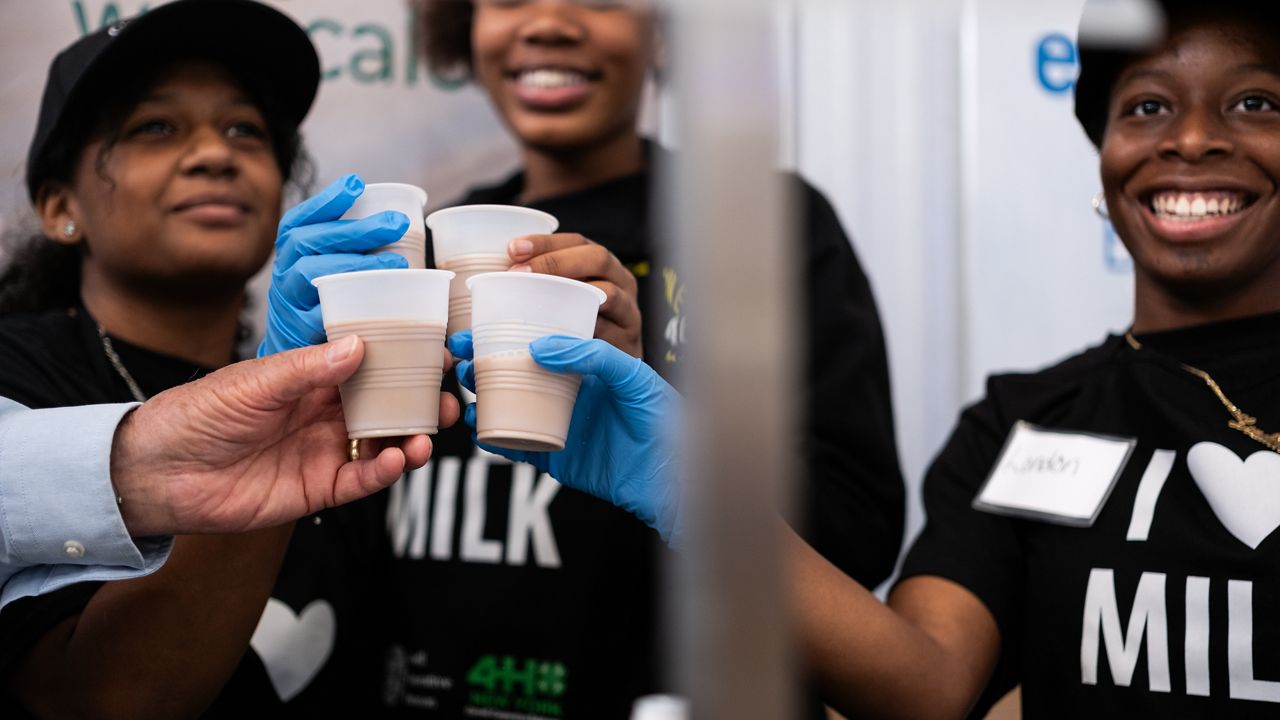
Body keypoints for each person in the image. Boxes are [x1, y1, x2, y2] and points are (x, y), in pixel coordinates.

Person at [462, 1, 1280, 716]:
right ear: (1102, 158)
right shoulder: (1019, 423)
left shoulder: (769, 222)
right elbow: (923, 690)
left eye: (1253, 102)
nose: (1194, 138)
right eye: (1145, 106)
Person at [403, 2, 905, 715]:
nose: (548, 22)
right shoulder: (431, 249)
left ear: (666, 31)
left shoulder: (757, 222)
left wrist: (662, 431)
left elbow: (857, 530)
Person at [0, 1, 445, 716]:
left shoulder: (346, 391)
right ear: (59, 207)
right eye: (156, 128)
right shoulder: (15, 384)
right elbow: (97, 700)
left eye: (245, 129)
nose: (216, 153)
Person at [0, 336, 436, 608]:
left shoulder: (326, 422)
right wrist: (140, 471)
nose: (218, 178)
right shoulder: (20, 358)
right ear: (59, 208)